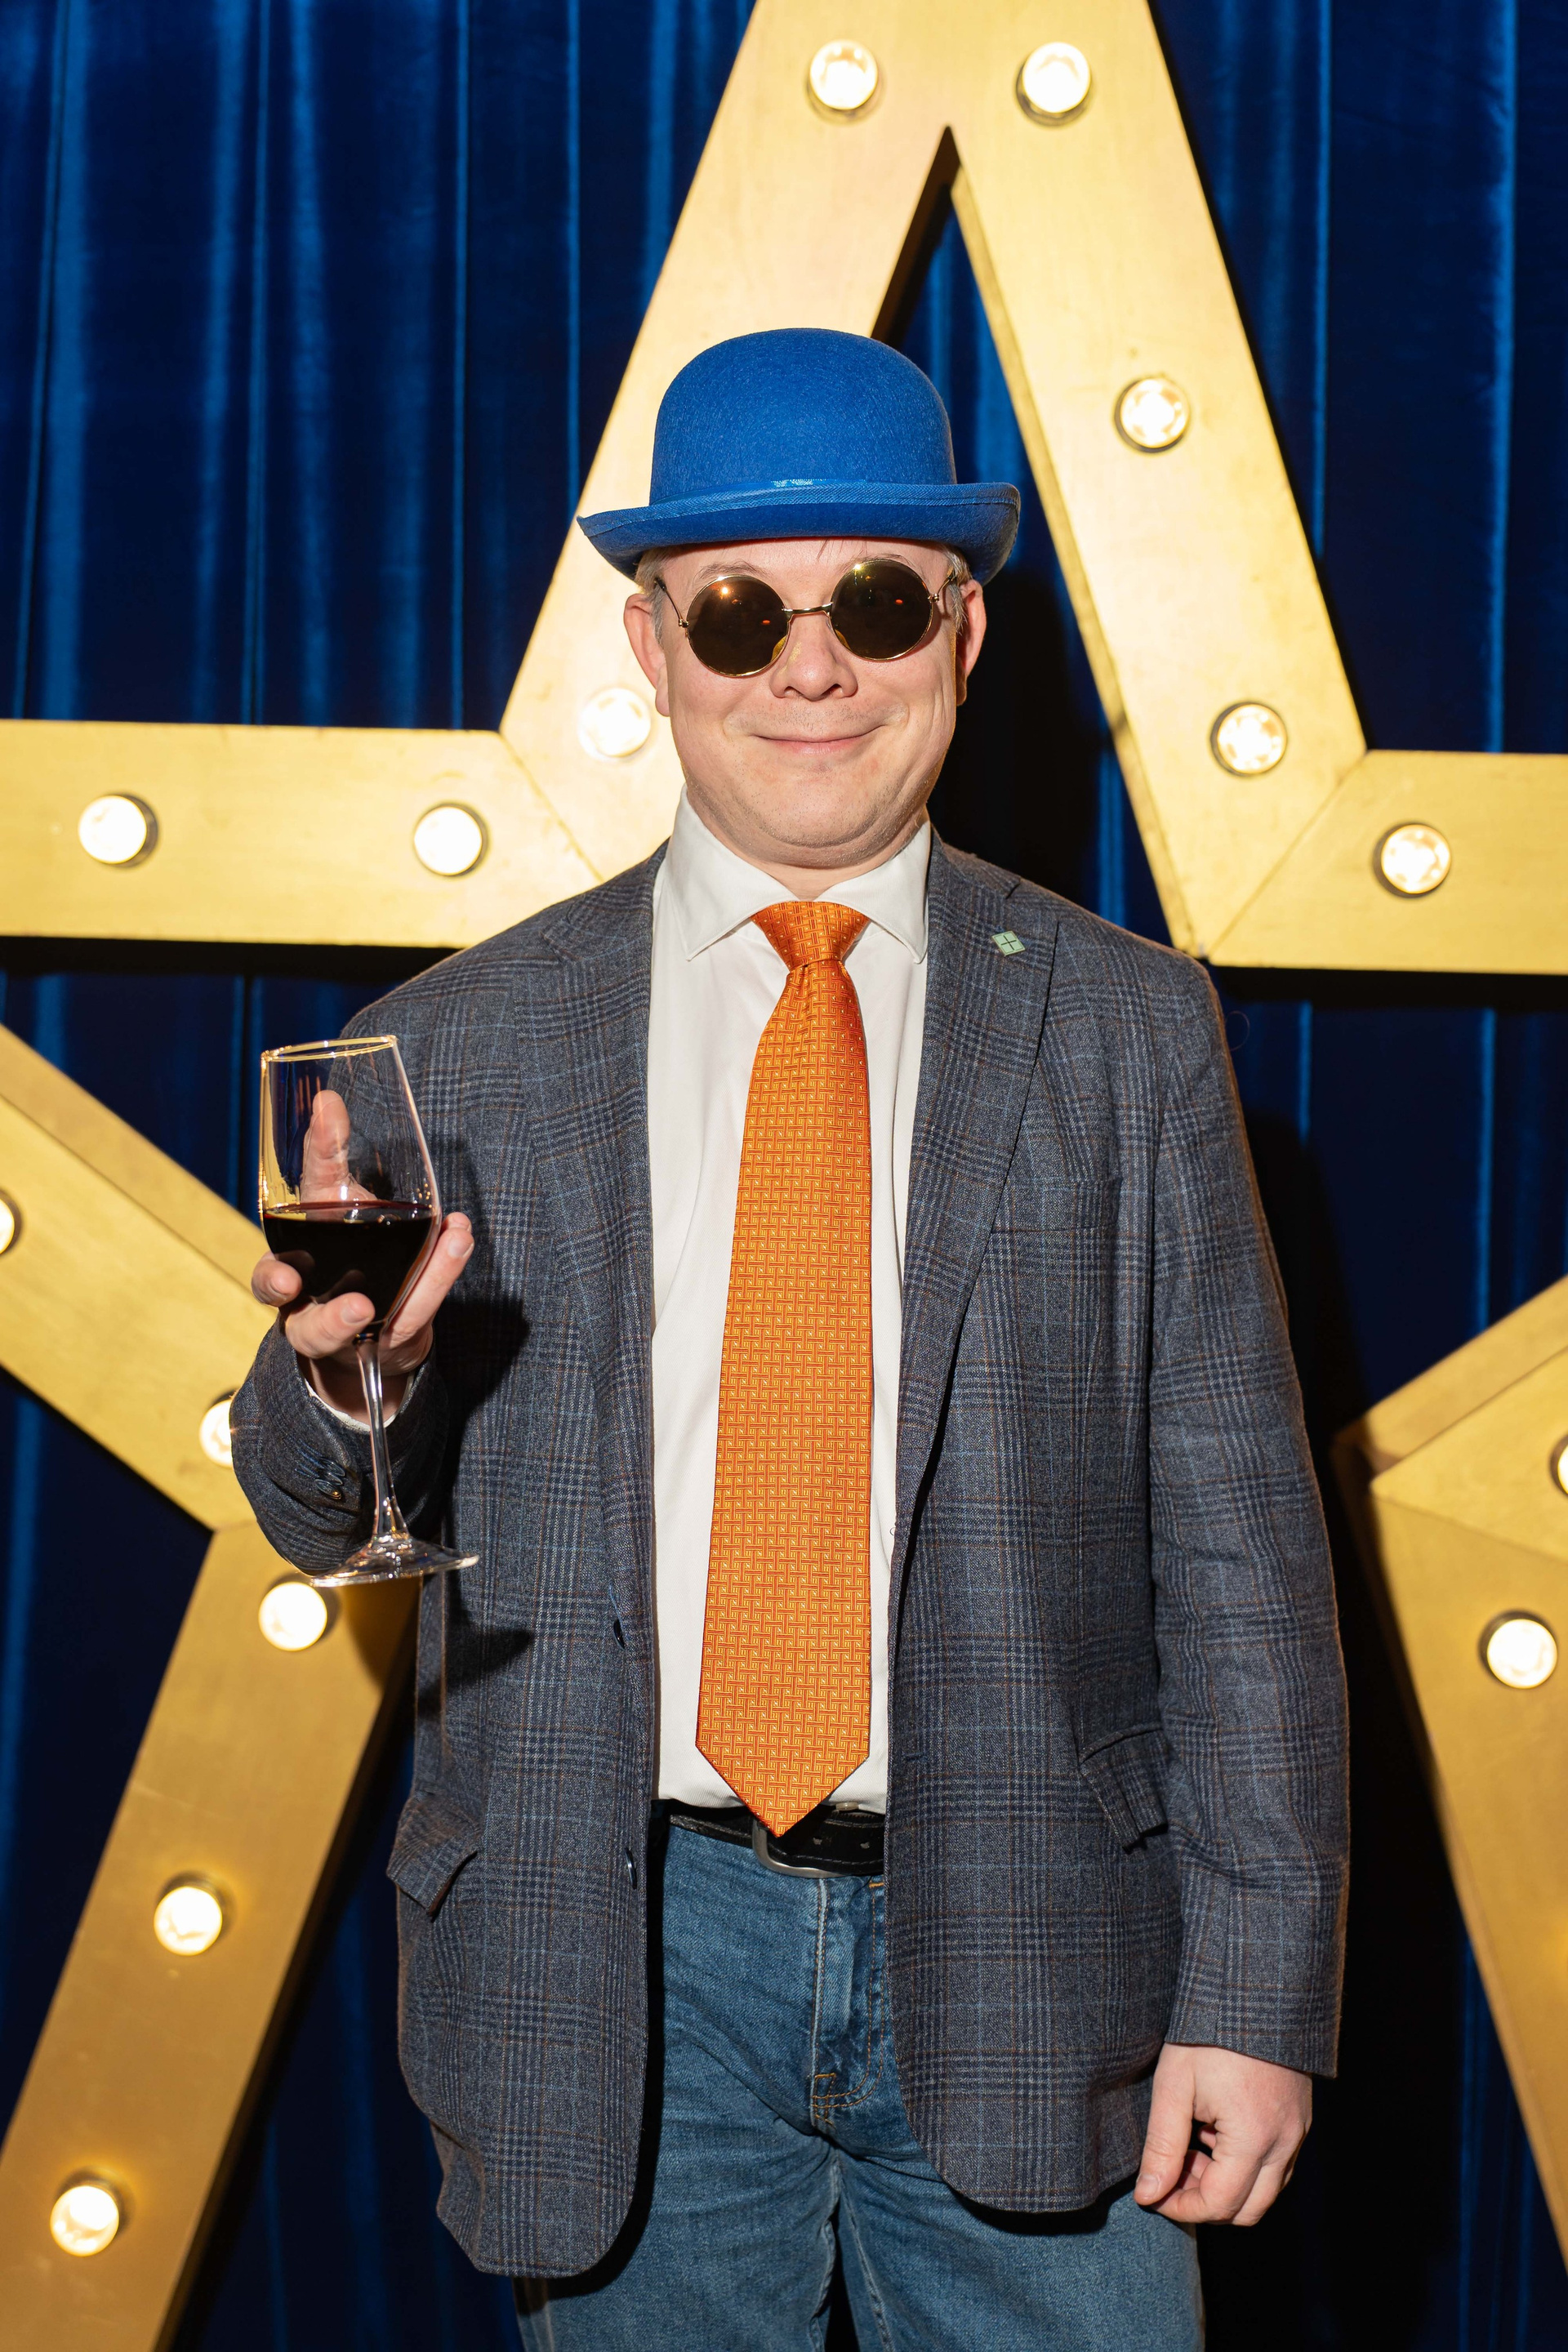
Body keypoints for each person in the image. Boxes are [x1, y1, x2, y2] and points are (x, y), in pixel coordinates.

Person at [233, 328, 1348, 2350]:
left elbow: (1244, 1563)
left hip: (1049, 1953)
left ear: (963, 639)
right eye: (742, 613)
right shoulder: (453, 1044)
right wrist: (341, 1386)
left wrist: (1261, 1994)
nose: (810, 669)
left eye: (878, 605)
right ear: (652, 648)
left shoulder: (1130, 1030)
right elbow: (323, 1519)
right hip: (618, 1961)